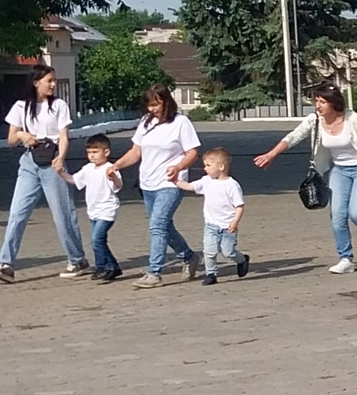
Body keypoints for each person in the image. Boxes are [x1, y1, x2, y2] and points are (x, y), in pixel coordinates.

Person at [252, 83, 357, 275]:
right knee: (338, 215)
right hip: (340, 170)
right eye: (316, 101)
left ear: (334, 103)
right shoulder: (314, 120)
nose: (318, 105)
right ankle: (346, 259)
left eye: (322, 101)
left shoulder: (353, 119)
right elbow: (293, 137)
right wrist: (271, 154)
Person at [0, 67, 86, 281]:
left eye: (54, 80)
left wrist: (61, 157)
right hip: (29, 162)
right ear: (36, 82)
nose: (53, 85)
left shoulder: (59, 105)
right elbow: (10, 139)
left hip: (52, 161)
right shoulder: (21, 106)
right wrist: (22, 135)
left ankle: (77, 260)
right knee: (17, 213)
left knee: (63, 214)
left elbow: (64, 136)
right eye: (49, 80)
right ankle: (5, 263)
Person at [112, 82, 203, 287]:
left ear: (166, 102)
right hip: (147, 184)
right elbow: (136, 152)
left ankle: (154, 272)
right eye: (149, 105)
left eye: (156, 104)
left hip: (170, 183)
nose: (151, 109)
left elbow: (192, 152)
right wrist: (116, 165)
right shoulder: (146, 122)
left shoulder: (181, 123)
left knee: (158, 225)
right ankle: (189, 257)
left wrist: (179, 167)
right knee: (164, 226)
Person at [176, 148, 248, 284]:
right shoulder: (206, 181)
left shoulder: (232, 185)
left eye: (208, 165)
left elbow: (239, 206)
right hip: (211, 224)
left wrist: (235, 222)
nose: (205, 169)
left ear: (221, 167)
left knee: (228, 252)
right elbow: (190, 186)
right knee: (209, 251)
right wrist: (175, 181)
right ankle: (211, 274)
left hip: (228, 226)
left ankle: (242, 259)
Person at [72, 134, 125, 281]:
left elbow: (118, 186)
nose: (92, 156)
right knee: (100, 241)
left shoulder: (110, 168)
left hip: (107, 210)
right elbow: (75, 180)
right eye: (89, 152)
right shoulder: (88, 168)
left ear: (106, 152)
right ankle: (112, 267)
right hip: (93, 211)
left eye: (95, 152)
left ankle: (103, 267)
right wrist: (59, 172)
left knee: (96, 239)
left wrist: (113, 176)